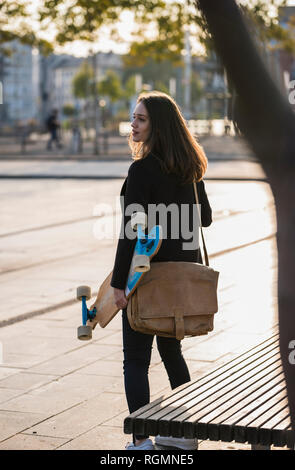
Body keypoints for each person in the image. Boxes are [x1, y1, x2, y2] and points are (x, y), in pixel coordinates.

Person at [110, 91, 212, 450]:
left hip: (146, 276)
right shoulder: (189, 166)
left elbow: (131, 231)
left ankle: (141, 441)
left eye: (140, 119)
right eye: (133, 117)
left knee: (135, 360)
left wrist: (119, 285)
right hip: (181, 279)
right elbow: (206, 219)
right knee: (171, 353)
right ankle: (186, 435)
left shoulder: (141, 170)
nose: (132, 125)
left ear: (158, 126)